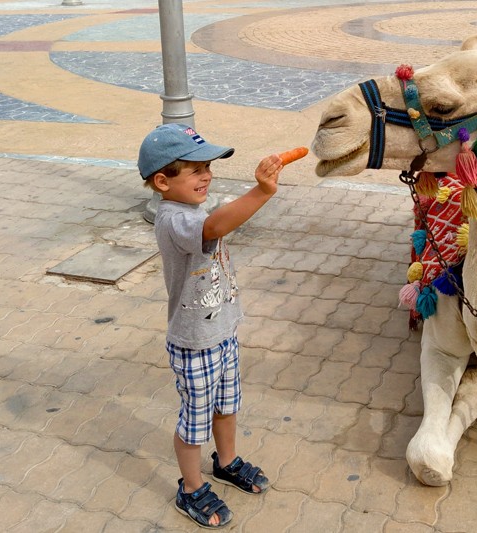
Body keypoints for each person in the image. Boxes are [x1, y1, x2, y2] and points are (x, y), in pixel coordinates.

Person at [138, 123, 280, 529]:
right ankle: (191, 486)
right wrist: (262, 192)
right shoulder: (172, 218)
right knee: (194, 421)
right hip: (194, 342)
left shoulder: (192, 209)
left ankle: (227, 461)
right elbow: (215, 227)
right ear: (163, 181)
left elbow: (215, 219)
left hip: (223, 332)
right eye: (196, 170)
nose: (207, 176)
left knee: (226, 405)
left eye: (209, 167)